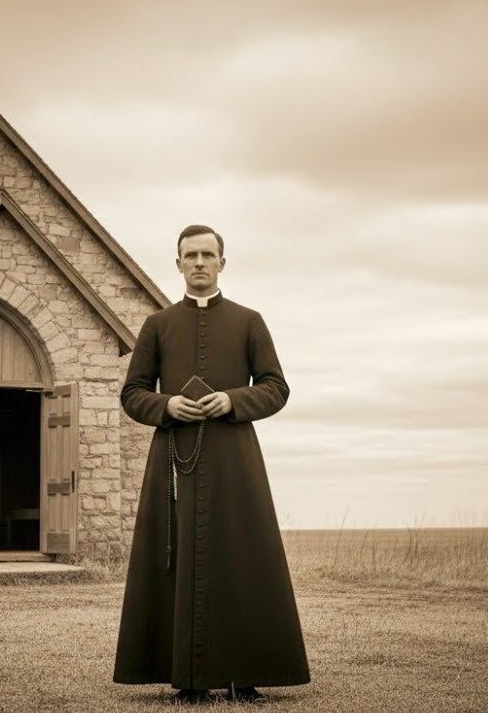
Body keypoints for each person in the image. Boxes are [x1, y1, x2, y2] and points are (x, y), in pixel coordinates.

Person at [112, 224, 311, 703]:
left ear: (222, 262)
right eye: (190, 256)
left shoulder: (249, 321)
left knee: (242, 557)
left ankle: (246, 676)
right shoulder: (157, 325)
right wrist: (166, 405)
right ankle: (189, 680)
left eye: (207, 255)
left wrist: (231, 400)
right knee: (178, 558)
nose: (199, 263)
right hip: (174, 459)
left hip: (234, 457)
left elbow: (276, 387)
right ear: (178, 264)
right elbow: (132, 393)